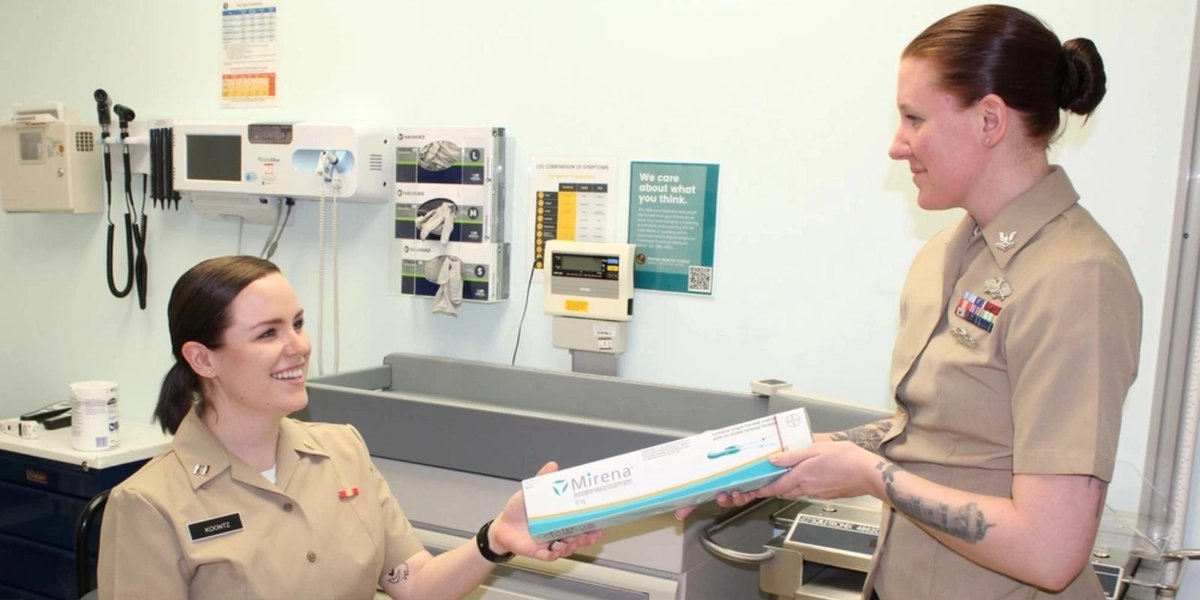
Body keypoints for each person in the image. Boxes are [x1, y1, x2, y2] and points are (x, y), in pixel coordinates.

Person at [680, 5, 1142, 599]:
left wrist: (870, 476)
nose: (898, 146)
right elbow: (938, 433)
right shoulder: (948, 255)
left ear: (990, 120)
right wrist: (814, 457)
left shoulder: (1077, 278)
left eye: (913, 118)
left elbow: (1050, 551)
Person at [98, 255, 601, 599]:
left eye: (297, 323)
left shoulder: (342, 452)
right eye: (268, 333)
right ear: (203, 359)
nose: (297, 345)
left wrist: (497, 539)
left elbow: (415, 584)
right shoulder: (149, 504)